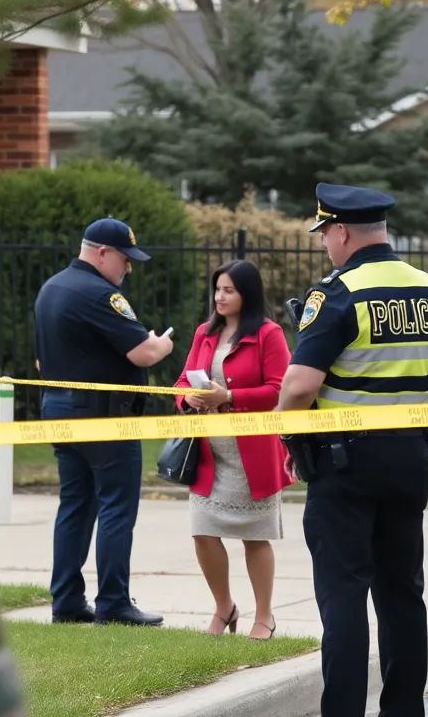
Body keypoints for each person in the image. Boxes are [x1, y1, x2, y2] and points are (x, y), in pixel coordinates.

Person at [274, 183, 428, 717]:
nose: (324, 247)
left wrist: (290, 435)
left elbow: (297, 386)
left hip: (344, 464)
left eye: (325, 236)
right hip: (410, 459)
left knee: (344, 597)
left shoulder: (337, 293)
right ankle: (404, 709)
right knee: (403, 595)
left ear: (341, 231)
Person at [33, 217, 175, 627]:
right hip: (103, 416)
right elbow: (142, 354)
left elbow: (41, 361)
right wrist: (161, 343)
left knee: (75, 505)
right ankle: (113, 602)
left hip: (59, 408)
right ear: (101, 253)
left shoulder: (52, 288)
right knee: (116, 506)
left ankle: (67, 601)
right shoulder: (101, 294)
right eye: (125, 259)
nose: (128, 268)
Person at [173, 260, 293, 640]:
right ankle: (224, 608)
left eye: (229, 290)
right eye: (217, 289)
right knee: (203, 532)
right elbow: (180, 381)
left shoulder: (268, 335)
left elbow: (280, 388)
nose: (219, 297)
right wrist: (187, 398)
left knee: (255, 536)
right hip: (210, 453)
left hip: (252, 454)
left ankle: (264, 617)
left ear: (247, 294)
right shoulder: (204, 333)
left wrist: (231, 396)